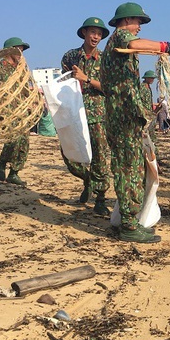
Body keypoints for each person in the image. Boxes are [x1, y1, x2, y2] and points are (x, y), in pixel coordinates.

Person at [101, 2, 170, 243]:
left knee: (131, 164)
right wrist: (166, 46)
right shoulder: (120, 35)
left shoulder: (116, 44)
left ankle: (128, 219)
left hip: (124, 115)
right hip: (123, 116)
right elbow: (135, 43)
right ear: (125, 21)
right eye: (137, 21)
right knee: (129, 168)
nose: (139, 27)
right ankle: (128, 225)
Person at [60, 17, 113, 215]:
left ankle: (100, 198)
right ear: (84, 33)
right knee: (68, 154)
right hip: (74, 112)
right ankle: (88, 179)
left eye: (99, 34)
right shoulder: (70, 56)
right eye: (93, 32)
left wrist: (87, 79)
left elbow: (110, 88)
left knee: (100, 156)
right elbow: (62, 83)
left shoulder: (106, 59)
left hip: (98, 114)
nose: (96, 37)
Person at [0, 37, 32, 186]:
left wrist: (31, 102)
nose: (21, 53)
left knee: (24, 142)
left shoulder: (21, 69)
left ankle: (14, 172)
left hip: (22, 108)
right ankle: (2, 162)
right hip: (6, 108)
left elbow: (26, 87)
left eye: (22, 50)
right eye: (18, 49)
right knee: (13, 138)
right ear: (9, 50)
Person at [140, 70, 160, 155]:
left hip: (150, 115)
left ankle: (155, 155)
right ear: (146, 78)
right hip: (145, 116)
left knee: (152, 136)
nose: (152, 79)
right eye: (151, 78)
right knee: (147, 137)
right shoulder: (142, 87)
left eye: (153, 78)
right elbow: (140, 102)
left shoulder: (148, 87)